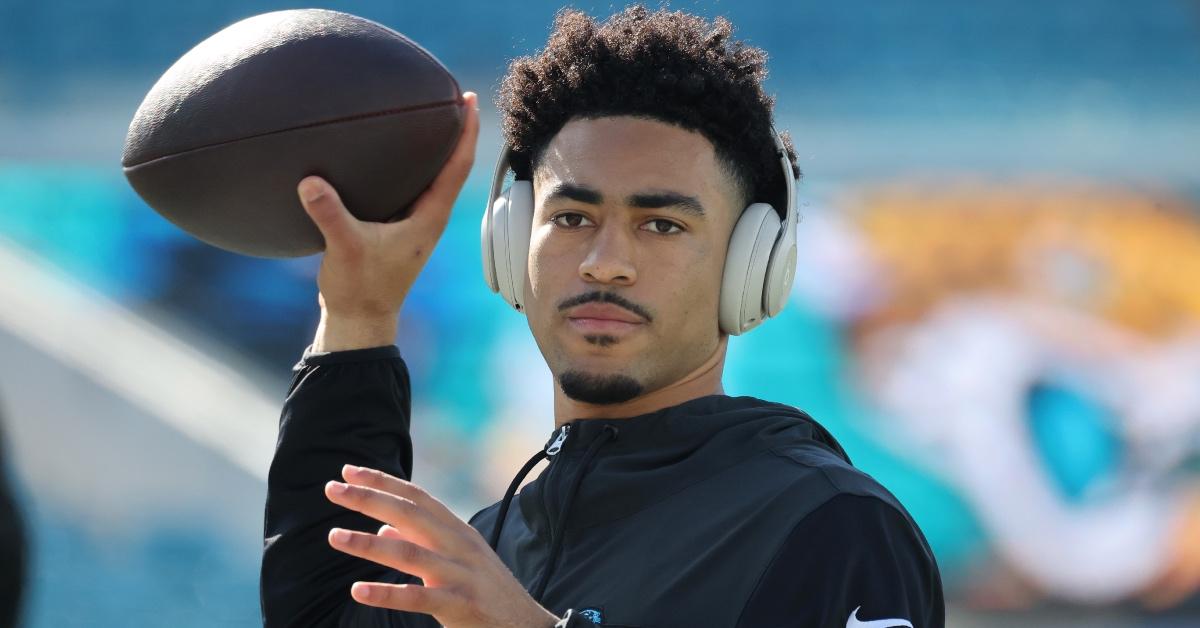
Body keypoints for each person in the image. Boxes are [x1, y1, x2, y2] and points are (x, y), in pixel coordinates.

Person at [261, 6, 944, 627]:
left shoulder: (830, 524)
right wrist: (359, 314)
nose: (604, 261)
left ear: (751, 266)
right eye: (571, 217)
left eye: (662, 225)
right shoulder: (491, 552)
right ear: (510, 243)